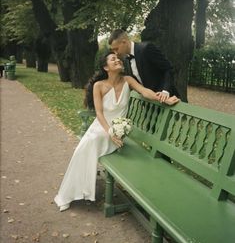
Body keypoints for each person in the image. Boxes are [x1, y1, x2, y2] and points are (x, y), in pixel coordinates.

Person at [54, 52, 179, 212]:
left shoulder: (128, 80)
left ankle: (83, 188)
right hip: (102, 127)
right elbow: (99, 113)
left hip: (119, 130)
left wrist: (163, 98)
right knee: (84, 148)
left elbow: (145, 91)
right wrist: (110, 132)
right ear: (106, 67)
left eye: (118, 58)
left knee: (89, 146)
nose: (118, 60)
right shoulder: (98, 86)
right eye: (113, 59)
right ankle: (68, 194)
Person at [109, 29, 179, 103]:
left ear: (124, 42)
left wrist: (165, 91)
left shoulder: (146, 48)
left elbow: (168, 69)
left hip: (169, 99)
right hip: (149, 104)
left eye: (116, 49)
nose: (115, 53)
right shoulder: (126, 60)